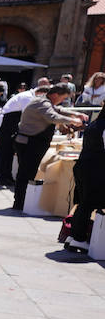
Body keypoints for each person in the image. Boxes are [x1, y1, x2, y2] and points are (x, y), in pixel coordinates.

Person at [11, 83, 86, 211]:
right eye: (62, 98)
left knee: (28, 172)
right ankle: (19, 202)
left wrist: (75, 113)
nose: (62, 101)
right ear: (56, 95)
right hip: (29, 143)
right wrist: (73, 121)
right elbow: (53, 116)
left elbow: (58, 110)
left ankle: (21, 201)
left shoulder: (45, 102)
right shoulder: (42, 103)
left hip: (32, 142)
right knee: (26, 173)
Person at [66, 106, 104, 254]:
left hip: (85, 166)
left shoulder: (95, 124)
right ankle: (79, 238)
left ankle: (74, 235)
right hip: (95, 169)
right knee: (88, 203)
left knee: (83, 202)